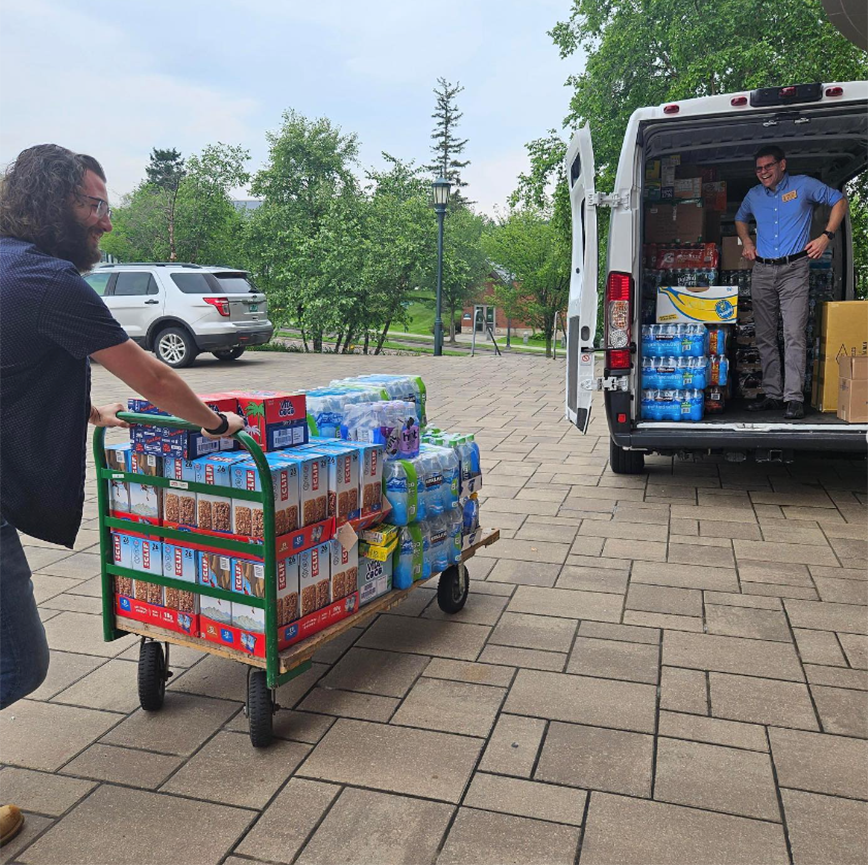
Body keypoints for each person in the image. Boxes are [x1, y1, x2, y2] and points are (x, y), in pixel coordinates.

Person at [0, 144, 245, 846]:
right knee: (20, 658)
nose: (105, 221)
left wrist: (87, 414)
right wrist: (217, 422)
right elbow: (153, 377)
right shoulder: (49, 281)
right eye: (94, 204)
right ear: (56, 205)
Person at [735, 145, 848, 419]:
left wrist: (826, 236)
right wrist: (748, 241)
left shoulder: (804, 185)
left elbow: (839, 201)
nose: (763, 172)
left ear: (782, 165)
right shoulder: (754, 195)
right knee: (764, 335)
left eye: (768, 166)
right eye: (759, 168)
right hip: (762, 271)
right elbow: (740, 218)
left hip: (795, 269)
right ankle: (773, 394)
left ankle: (794, 398)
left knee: (794, 334)